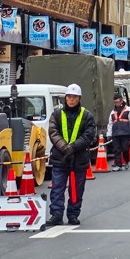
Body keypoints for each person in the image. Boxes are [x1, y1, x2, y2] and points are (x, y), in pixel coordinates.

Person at [47, 83, 97, 226]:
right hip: (60, 158)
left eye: (74, 97)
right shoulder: (56, 114)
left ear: (79, 98)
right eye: (69, 96)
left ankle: (73, 215)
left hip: (79, 159)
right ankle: (56, 215)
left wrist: (73, 147)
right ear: (65, 98)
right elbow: (53, 132)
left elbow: (89, 135)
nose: (71, 99)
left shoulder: (87, 116)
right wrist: (65, 148)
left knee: (76, 190)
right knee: (57, 189)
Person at [106, 91, 130, 170]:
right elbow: (110, 124)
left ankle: (127, 161)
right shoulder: (112, 112)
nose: (117, 103)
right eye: (115, 102)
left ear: (121, 101)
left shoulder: (128, 110)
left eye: (118, 102)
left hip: (125, 133)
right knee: (116, 149)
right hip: (115, 134)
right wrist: (109, 134)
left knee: (125, 149)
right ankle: (118, 165)